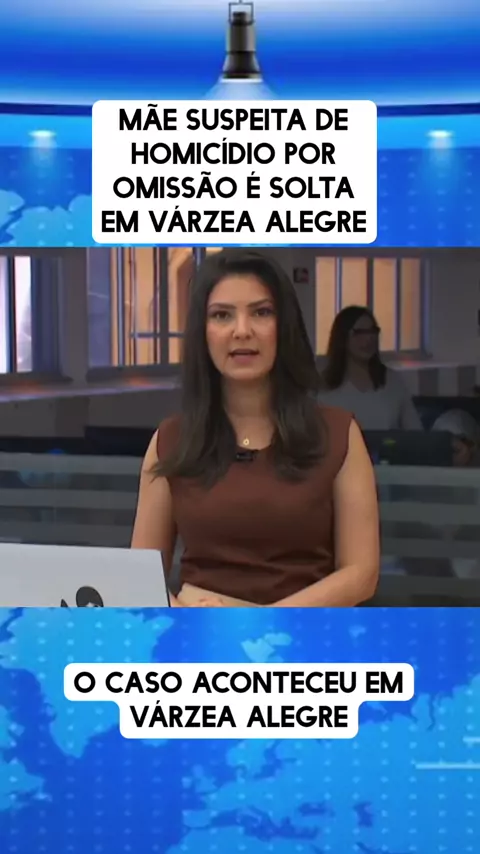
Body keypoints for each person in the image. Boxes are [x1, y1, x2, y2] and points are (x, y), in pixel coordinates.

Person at [131, 251, 380, 607]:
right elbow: (139, 580)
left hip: (298, 633)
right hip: (199, 631)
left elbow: (361, 574)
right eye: (222, 315)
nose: (242, 331)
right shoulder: (171, 440)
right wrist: (184, 616)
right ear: (203, 332)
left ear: (284, 327)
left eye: (261, 313)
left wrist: (257, 623)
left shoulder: (338, 433)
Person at [318, 306, 422, 431]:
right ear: (342, 337)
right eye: (359, 332)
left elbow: (415, 431)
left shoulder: (392, 381)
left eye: (373, 331)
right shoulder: (323, 386)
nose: (369, 339)